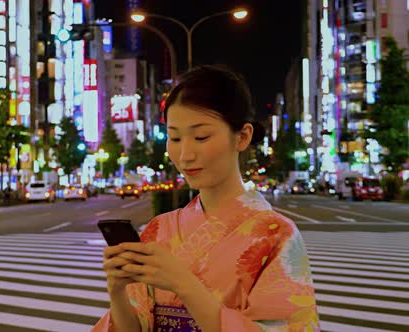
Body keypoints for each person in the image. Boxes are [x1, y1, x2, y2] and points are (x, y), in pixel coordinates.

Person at [93, 65, 320, 332]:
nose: (185, 154)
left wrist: (184, 285)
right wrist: (118, 293)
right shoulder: (159, 229)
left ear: (242, 137)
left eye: (201, 137)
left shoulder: (276, 235)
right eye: (174, 137)